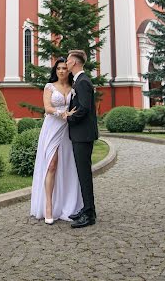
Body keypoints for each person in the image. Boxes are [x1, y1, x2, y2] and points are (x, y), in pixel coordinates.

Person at [30, 57, 83, 224]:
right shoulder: (50, 87)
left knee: (67, 165)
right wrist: (62, 113)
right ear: (55, 71)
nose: (61, 71)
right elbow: (47, 107)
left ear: (68, 70)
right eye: (58, 68)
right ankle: (48, 206)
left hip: (67, 130)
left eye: (64, 68)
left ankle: (66, 203)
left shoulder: (73, 87)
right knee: (51, 164)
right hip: (52, 127)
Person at [64, 49, 99, 228]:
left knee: (84, 175)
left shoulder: (83, 82)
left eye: (68, 60)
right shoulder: (80, 81)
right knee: (82, 173)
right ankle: (86, 209)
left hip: (83, 135)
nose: (66, 63)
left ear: (75, 63)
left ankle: (89, 214)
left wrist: (69, 117)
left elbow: (84, 108)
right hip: (81, 134)